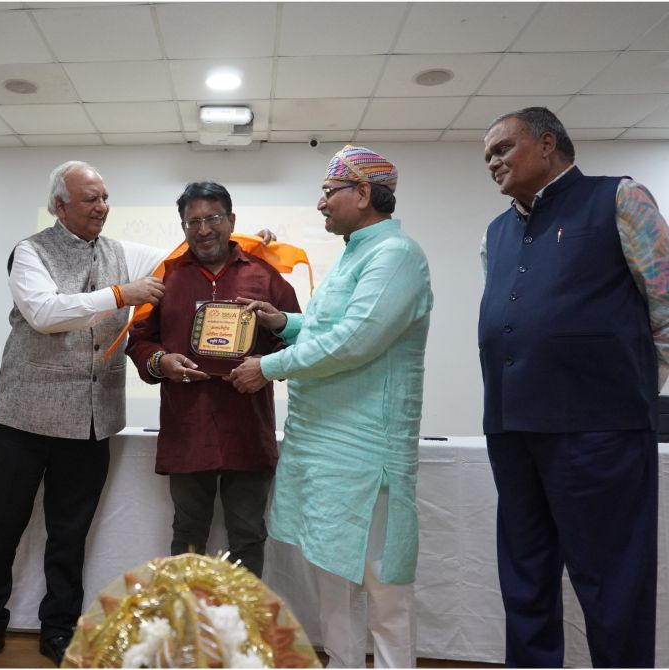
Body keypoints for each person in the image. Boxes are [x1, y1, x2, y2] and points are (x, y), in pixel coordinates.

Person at [0, 161, 168, 669]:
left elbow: (183, 259)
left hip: (90, 422)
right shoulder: (29, 252)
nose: (102, 207)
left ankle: (59, 629)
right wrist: (121, 294)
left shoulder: (123, 253)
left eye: (105, 197)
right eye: (90, 198)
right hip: (21, 420)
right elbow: (45, 314)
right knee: (1, 529)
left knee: (70, 536)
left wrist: (251, 244)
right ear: (60, 206)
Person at [230, 146, 433, 668]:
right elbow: (329, 328)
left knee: (384, 588)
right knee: (332, 576)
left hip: (366, 453)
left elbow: (354, 340)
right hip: (324, 448)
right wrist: (284, 323)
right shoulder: (354, 253)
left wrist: (268, 367)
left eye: (328, 191)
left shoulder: (395, 255)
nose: (321, 203)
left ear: (362, 194)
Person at [479, 107, 667, 667]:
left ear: (546, 144)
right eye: (487, 156)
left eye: (503, 148)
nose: (493, 162)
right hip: (512, 430)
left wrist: (633, 384)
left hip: (600, 429)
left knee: (612, 582)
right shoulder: (496, 231)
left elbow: (665, 302)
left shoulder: (619, 198)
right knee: (524, 579)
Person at [125, 181, 300, 578]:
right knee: (187, 536)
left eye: (213, 218)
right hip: (188, 427)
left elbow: (297, 340)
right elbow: (139, 340)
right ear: (183, 227)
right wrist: (161, 361)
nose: (203, 230)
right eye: (193, 222)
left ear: (231, 220)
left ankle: (243, 619)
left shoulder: (266, 277)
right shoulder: (166, 277)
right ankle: (186, 618)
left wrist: (265, 366)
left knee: (248, 536)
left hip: (247, 429)